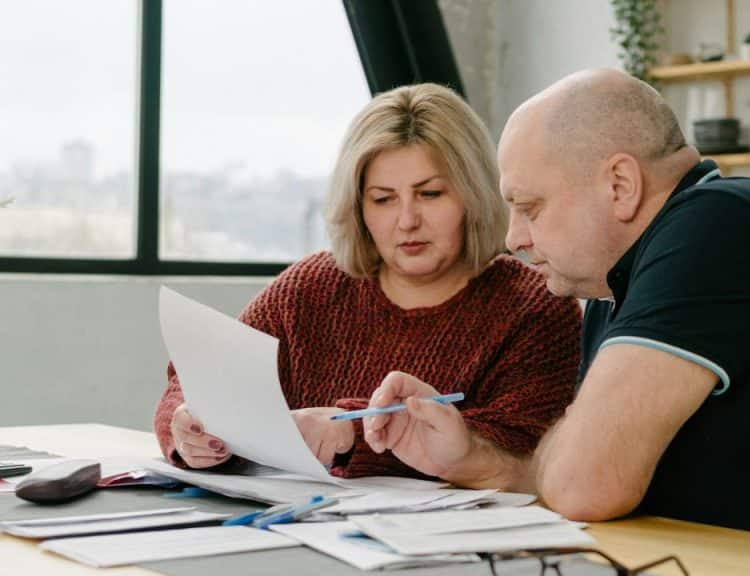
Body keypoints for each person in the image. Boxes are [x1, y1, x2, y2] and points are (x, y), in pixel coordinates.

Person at [361, 69, 750, 562]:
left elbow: (584, 485)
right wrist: (475, 460)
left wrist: (563, 459)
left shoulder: (723, 224)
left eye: (530, 206)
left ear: (620, 183)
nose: (514, 237)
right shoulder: (617, 286)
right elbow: (577, 473)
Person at [153, 83, 581, 479]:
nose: (407, 221)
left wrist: (349, 436)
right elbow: (200, 381)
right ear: (358, 208)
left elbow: (524, 452)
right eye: (383, 199)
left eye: (430, 194)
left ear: (473, 195)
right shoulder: (308, 290)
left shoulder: (536, 306)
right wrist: (187, 424)